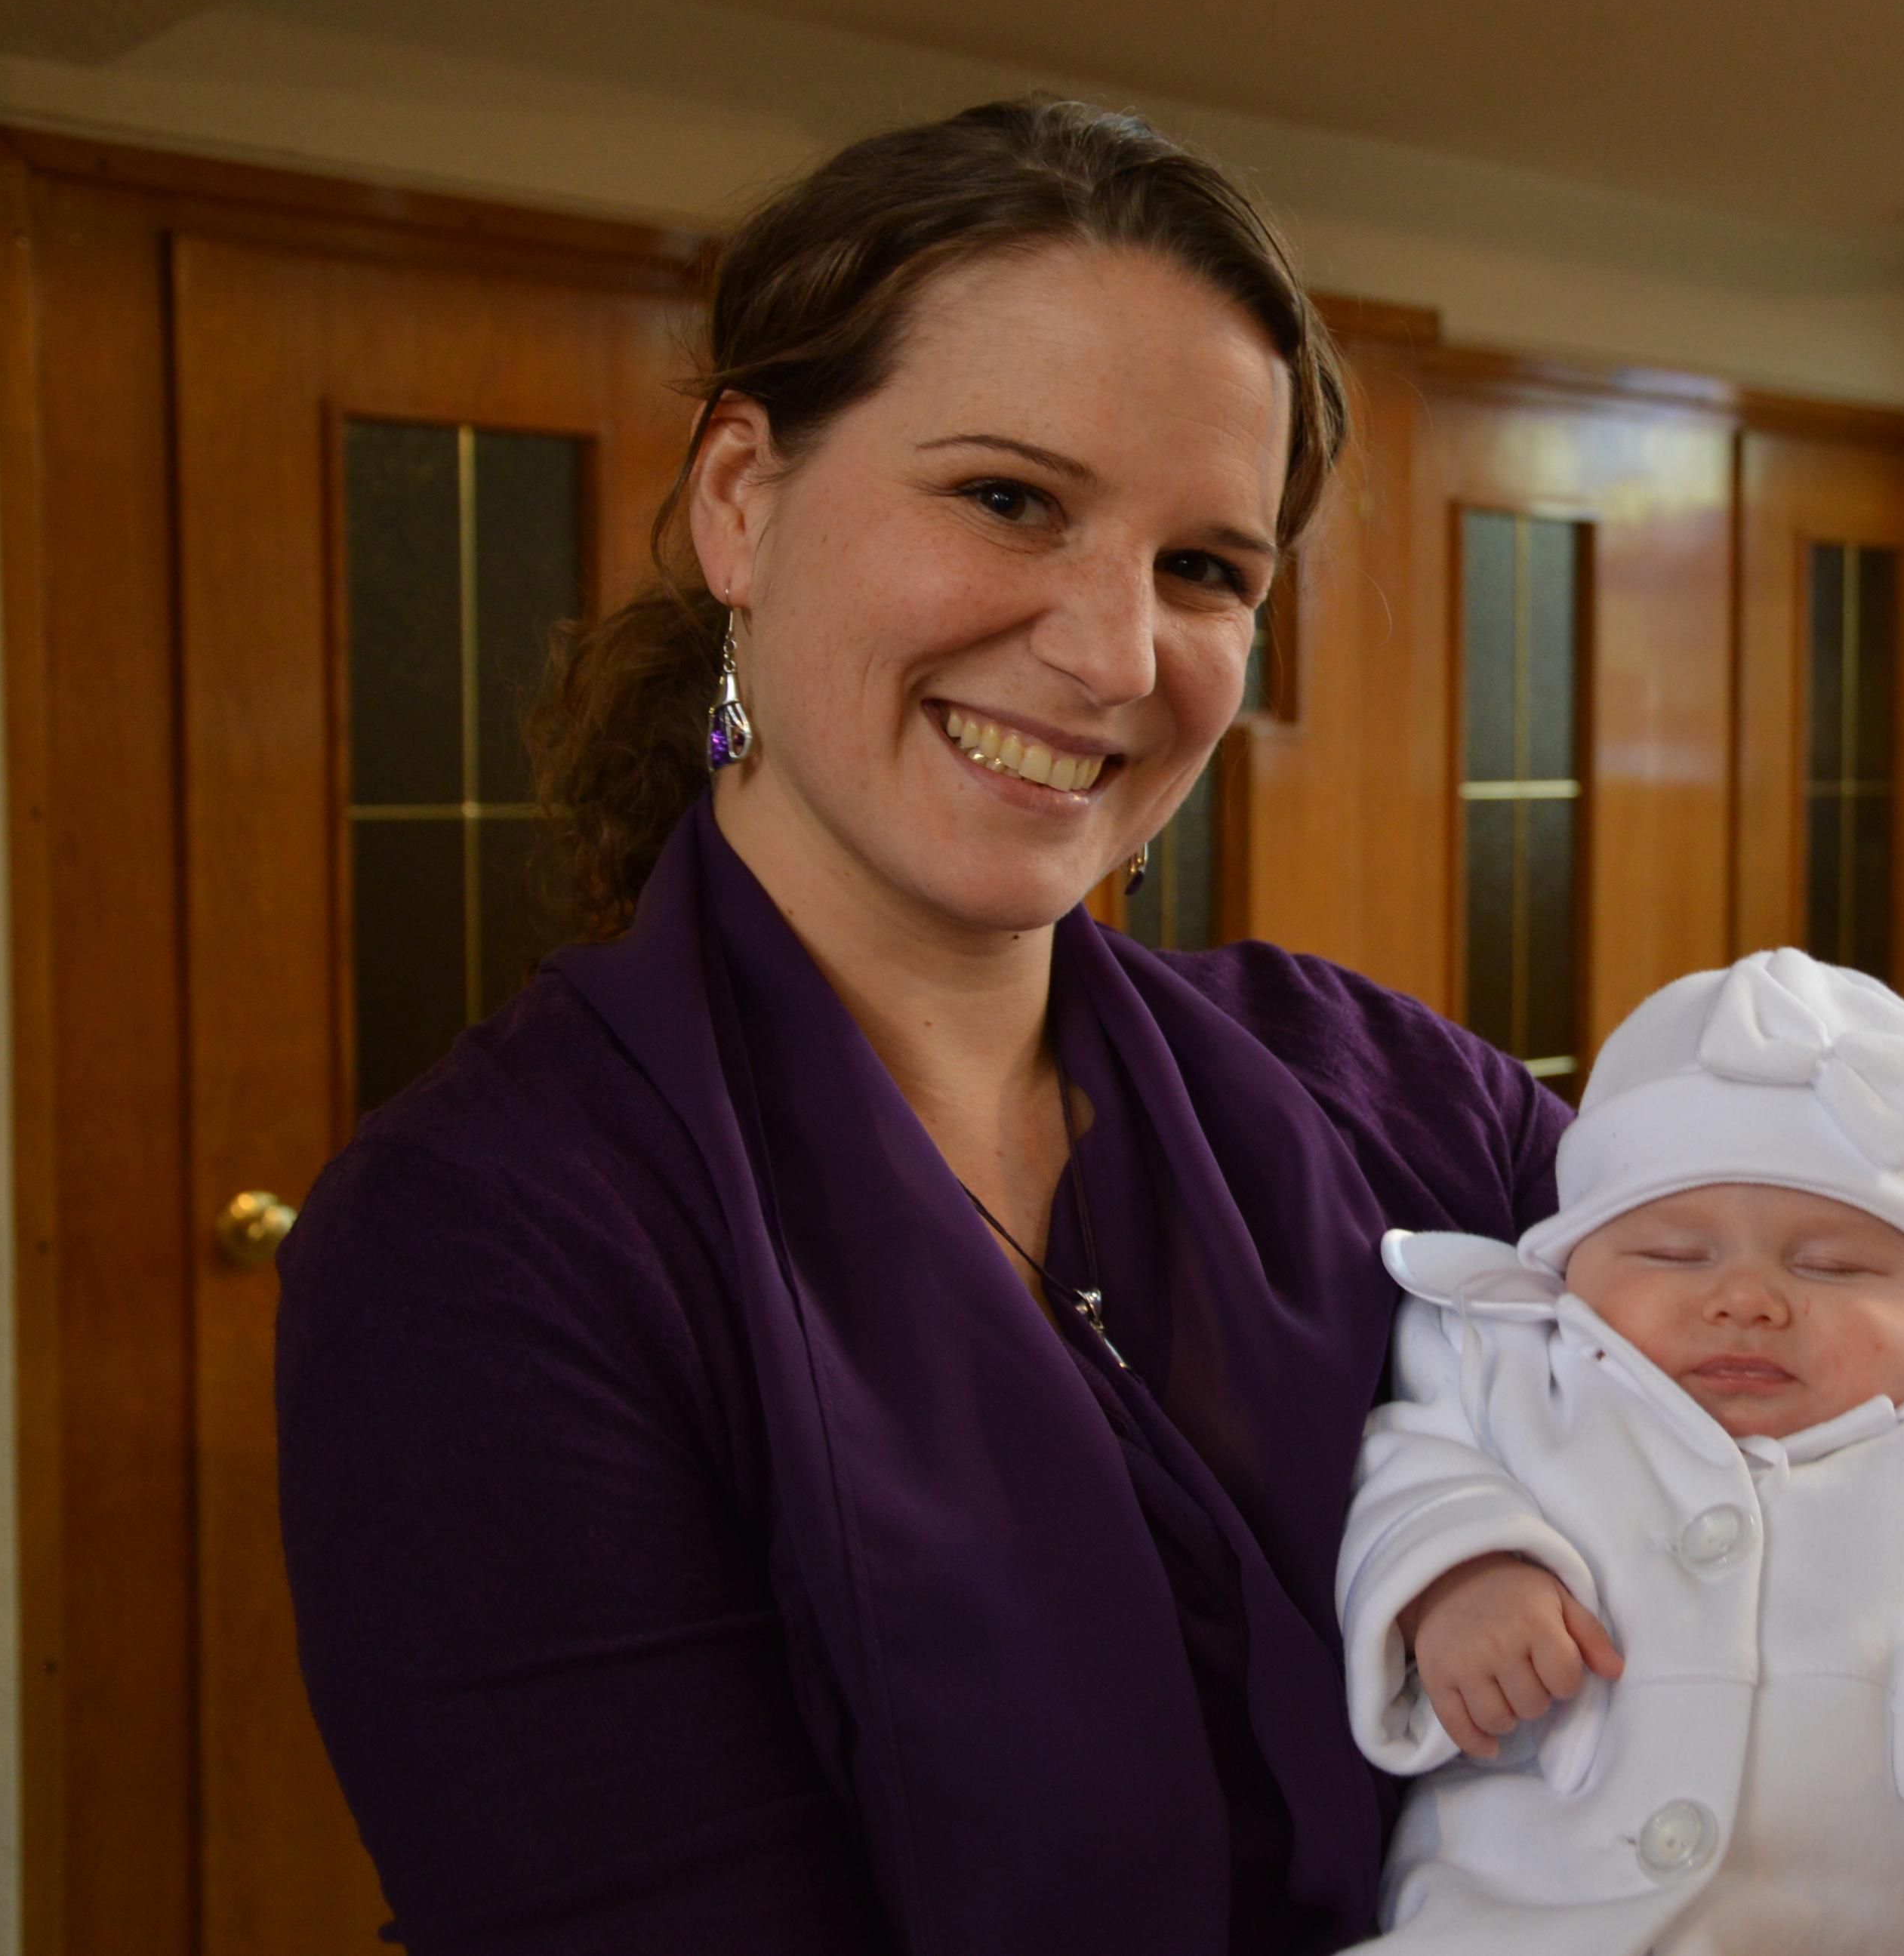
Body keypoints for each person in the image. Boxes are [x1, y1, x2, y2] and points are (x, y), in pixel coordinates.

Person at [274, 99, 1570, 1956]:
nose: (1115, 654)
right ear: (741, 498)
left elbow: (1862, 1465)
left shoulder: (1390, 1094)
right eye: (1009, 500)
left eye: (1205, 569)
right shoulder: (491, 1242)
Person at [1336, 950, 1904, 1956]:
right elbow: (1409, 1460)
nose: (1747, 1300)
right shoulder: (1507, 1359)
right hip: (1517, 1924)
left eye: (1834, 1266)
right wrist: (1463, 1571)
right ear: (1571, 1270)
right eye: (1673, 1254)